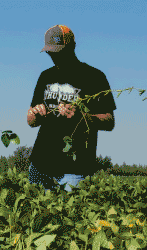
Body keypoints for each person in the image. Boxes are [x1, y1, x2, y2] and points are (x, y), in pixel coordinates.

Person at [25, 25, 117, 194]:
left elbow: (109, 121)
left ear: (72, 46)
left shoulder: (95, 76)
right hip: (39, 164)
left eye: (59, 51)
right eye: (50, 52)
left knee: (67, 218)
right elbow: (31, 121)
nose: (54, 56)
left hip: (74, 169)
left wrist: (83, 117)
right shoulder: (45, 76)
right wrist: (34, 114)